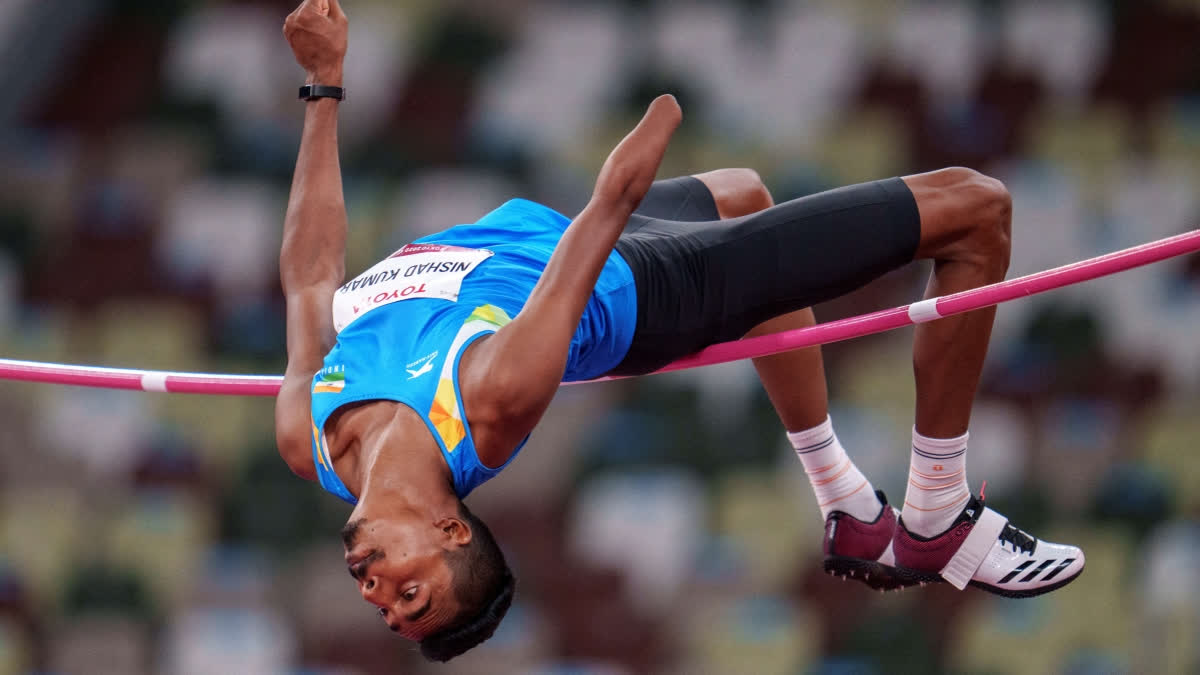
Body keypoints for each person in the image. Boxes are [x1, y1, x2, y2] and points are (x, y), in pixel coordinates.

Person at [274, 0, 1085, 663]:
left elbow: (311, 274)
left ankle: (845, 502)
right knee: (976, 209)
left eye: (390, 606)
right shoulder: (487, 398)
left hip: (547, 237)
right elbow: (600, 226)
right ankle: (938, 511)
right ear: (450, 530)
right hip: (641, 285)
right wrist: (657, 115)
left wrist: (324, 84)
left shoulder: (307, 434)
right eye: (407, 594)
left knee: (743, 191)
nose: (375, 591)